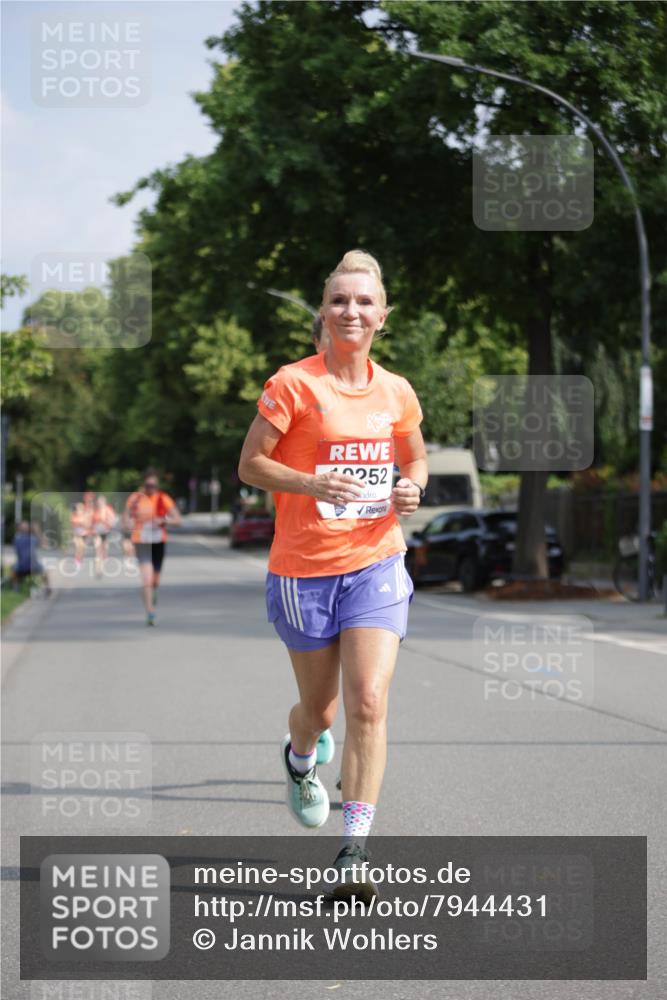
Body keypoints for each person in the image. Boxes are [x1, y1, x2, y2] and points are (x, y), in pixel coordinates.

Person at [239, 250, 427, 902]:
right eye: (339, 301)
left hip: (376, 561)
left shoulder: (395, 390)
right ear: (323, 314)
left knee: (368, 702)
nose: (352, 311)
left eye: (363, 301)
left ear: (382, 315)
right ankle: (298, 760)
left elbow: (417, 460)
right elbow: (250, 465)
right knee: (318, 712)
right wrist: (310, 480)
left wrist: (411, 489)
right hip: (302, 570)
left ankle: (354, 852)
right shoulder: (294, 384)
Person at [123, 469, 181, 626]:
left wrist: (164, 521)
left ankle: (152, 593)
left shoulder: (163, 498)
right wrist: (128, 525)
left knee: (155, 580)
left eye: (154, 486)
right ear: (144, 484)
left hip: (158, 541)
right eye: (148, 485)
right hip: (141, 541)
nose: (151, 489)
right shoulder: (135, 499)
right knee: (147, 578)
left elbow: (178, 519)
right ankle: (150, 612)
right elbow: (126, 519)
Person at [12, 521, 51, 594]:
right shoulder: (27, 538)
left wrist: (36, 531)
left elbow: (44, 544)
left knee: (14, 568)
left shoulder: (22, 538)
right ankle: (16, 589)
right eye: (24, 527)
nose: (25, 528)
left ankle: (16, 588)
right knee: (14, 569)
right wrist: (37, 530)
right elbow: (44, 543)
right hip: (27, 565)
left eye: (26, 527)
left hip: (28, 565)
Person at [92, 495, 118, 577]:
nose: (100, 503)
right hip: (97, 532)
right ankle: (98, 569)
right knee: (97, 549)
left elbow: (114, 519)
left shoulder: (108, 510)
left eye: (102, 501)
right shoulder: (95, 510)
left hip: (105, 532)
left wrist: (109, 523)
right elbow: (91, 521)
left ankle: (102, 564)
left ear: (104, 502)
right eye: (99, 502)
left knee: (104, 549)